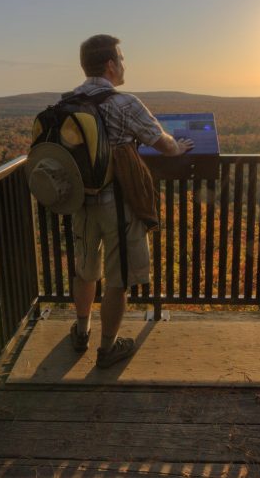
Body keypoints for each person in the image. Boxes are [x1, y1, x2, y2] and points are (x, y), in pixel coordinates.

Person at [71, 34, 193, 368]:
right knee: (117, 277)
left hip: (80, 201)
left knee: (85, 269)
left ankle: (81, 332)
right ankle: (108, 349)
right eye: (121, 59)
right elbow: (163, 144)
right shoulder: (125, 103)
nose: (124, 65)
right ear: (110, 65)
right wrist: (179, 148)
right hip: (118, 201)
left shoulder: (67, 103)